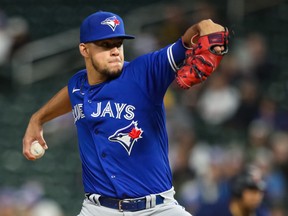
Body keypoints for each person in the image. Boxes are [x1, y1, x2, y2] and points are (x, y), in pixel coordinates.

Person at [22, 10, 226, 216]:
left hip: (157, 208)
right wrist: (37, 119)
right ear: (84, 50)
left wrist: (211, 36)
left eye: (118, 43)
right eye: (105, 45)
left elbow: (204, 27)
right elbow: (71, 92)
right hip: (97, 209)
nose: (115, 51)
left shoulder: (145, 73)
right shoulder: (78, 84)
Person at [195, 165, 268, 216]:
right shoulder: (212, 212)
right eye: (252, 191)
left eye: (260, 192)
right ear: (238, 190)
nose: (257, 197)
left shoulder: (261, 213)